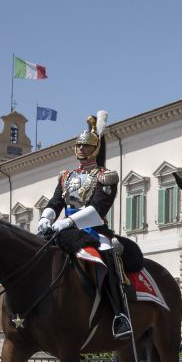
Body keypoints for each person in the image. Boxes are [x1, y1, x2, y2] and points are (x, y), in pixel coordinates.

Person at [37, 111, 131, 338]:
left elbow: (99, 208)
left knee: (108, 258)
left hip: (93, 230)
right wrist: (45, 218)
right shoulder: (65, 176)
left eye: (86, 146)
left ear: (95, 148)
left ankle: (120, 315)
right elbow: (55, 202)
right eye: (79, 145)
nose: (81, 149)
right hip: (63, 229)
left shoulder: (106, 176)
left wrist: (67, 222)